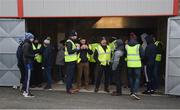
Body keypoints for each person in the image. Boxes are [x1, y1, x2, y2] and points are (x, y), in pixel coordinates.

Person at [64, 30, 79, 94]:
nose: (76, 37)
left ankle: (70, 88)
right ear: (72, 36)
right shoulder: (69, 42)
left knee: (71, 75)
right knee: (69, 76)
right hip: (70, 61)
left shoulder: (71, 42)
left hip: (71, 61)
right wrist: (77, 49)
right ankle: (68, 89)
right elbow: (70, 51)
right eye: (75, 35)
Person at [22, 32, 35, 97]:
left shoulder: (26, 44)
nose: (33, 39)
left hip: (27, 62)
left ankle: (25, 91)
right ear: (29, 38)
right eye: (32, 38)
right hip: (28, 63)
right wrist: (33, 55)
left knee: (27, 77)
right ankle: (27, 92)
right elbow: (26, 54)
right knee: (28, 78)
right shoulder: (27, 44)